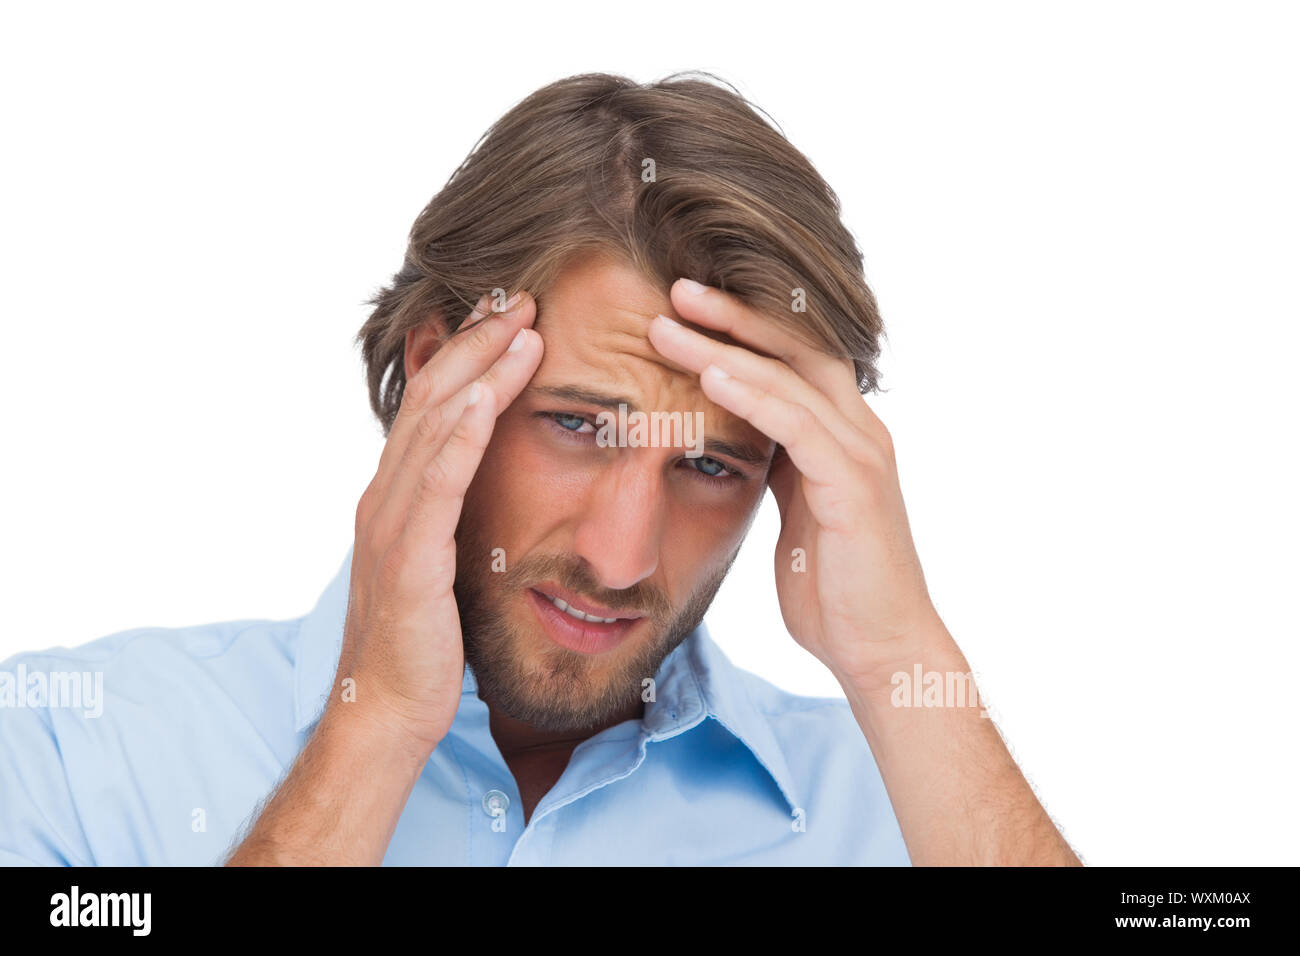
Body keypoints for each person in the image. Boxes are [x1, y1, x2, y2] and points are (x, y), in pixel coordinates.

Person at [0, 72, 1078, 866]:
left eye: (709, 462)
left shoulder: (908, 809)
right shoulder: (70, 747)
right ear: (438, 372)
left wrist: (899, 658)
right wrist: (372, 723)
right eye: (579, 425)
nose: (620, 557)